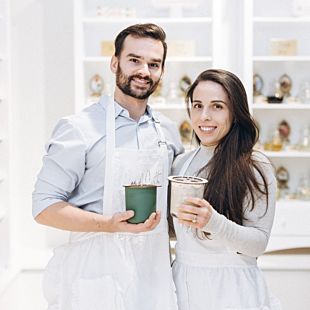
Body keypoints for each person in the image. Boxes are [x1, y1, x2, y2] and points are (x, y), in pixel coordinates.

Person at [32, 23, 184, 310]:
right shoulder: (78, 129)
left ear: (162, 71)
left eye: (154, 64)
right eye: (134, 60)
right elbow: (43, 208)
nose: (144, 71)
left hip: (154, 274)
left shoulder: (168, 132)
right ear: (115, 63)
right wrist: (109, 225)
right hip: (94, 275)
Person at [171, 69, 282, 310]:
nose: (204, 116)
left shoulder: (255, 166)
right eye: (197, 105)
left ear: (235, 112)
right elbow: (182, 233)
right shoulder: (181, 164)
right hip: (184, 287)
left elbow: (258, 243)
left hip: (233, 292)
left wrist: (213, 222)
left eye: (217, 106)